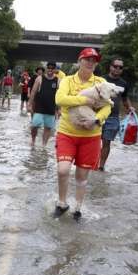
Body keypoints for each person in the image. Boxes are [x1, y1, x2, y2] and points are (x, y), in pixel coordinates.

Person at [52, 48, 111, 221]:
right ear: (79, 61)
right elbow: (60, 99)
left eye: (94, 60)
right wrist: (84, 100)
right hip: (67, 132)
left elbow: (107, 105)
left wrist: (97, 119)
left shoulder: (100, 82)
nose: (91, 63)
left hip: (91, 136)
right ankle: (61, 203)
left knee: (81, 176)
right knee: (63, 170)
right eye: (87, 59)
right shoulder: (68, 81)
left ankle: (77, 209)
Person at [98, 57, 135, 170]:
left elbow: (124, 99)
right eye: (115, 66)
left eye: (120, 67)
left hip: (113, 117)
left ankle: (101, 166)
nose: (117, 69)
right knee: (93, 141)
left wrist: (130, 107)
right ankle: (91, 162)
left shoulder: (123, 83)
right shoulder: (101, 80)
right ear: (110, 67)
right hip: (97, 114)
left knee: (106, 142)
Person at [28, 62, 60, 147]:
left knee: (48, 128)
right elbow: (33, 92)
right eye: (49, 68)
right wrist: (29, 104)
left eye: (52, 68)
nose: (50, 70)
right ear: (46, 69)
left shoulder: (58, 80)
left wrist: (59, 109)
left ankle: (44, 145)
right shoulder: (39, 78)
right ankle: (33, 140)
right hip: (39, 108)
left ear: (55, 70)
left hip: (51, 108)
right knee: (35, 125)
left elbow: (59, 96)